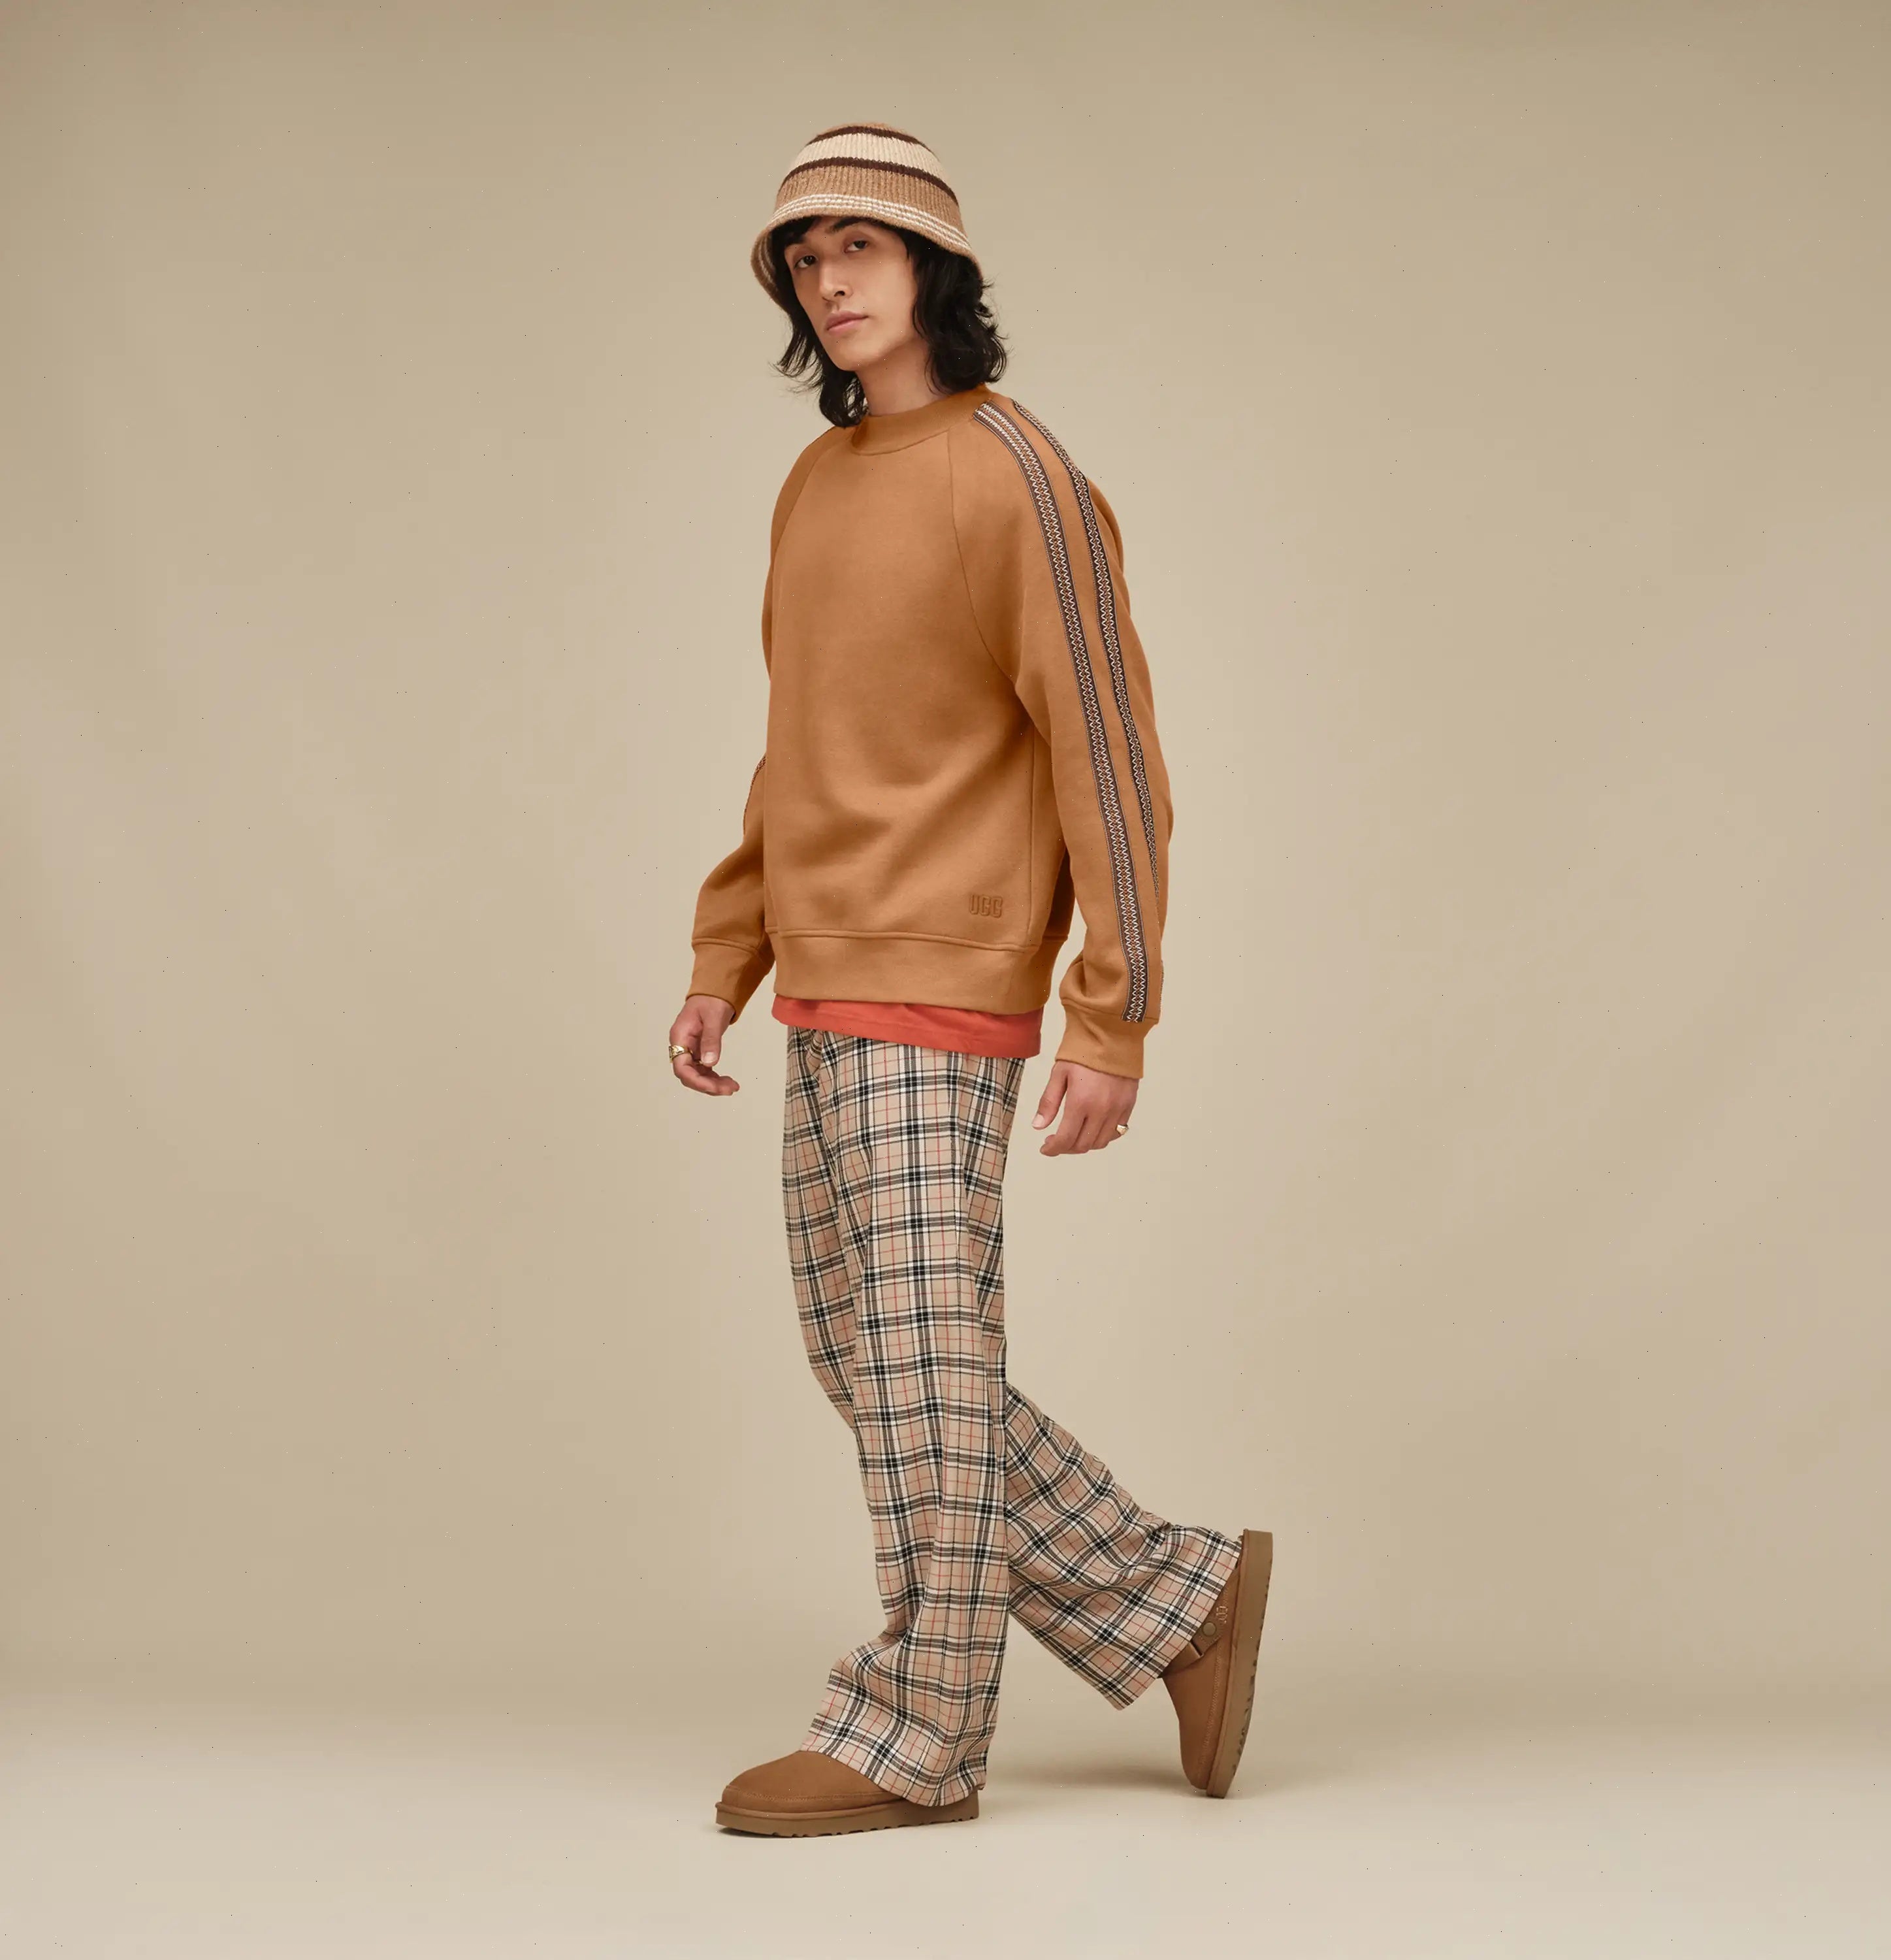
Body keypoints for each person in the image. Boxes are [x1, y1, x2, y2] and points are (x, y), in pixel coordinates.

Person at [670, 120, 1272, 1838]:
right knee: (873, 1357)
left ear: (935, 265)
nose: (829, 281)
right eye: (804, 258)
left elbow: (1111, 753)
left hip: (950, 968)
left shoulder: (1017, 474)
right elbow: (799, 749)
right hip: (823, 970)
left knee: (924, 1365)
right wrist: (727, 947)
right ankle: (1175, 1597)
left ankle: (919, 1732)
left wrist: (1113, 1011)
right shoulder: (816, 485)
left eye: (859, 246)